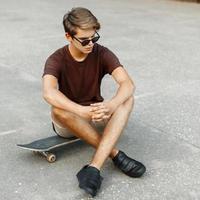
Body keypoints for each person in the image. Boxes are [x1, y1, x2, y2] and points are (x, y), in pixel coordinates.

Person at [42, 7, 146, 197]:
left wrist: (112, 104)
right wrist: (81, 111)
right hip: (71, 121)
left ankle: (94, 167)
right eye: (85, 40)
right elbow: (49, 92)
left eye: (94, 38)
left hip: (97, 115)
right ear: (68, 36)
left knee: (126, 99)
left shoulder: (101, 53)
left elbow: (127, 83)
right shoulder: (56, 59)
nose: (91, 43)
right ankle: (115, 154)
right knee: (57, 109)